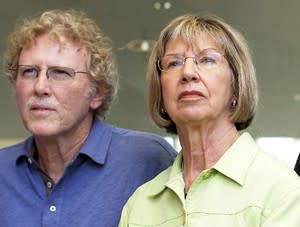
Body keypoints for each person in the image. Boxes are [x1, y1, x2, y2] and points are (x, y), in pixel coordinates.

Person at [119, 14, 300, 226]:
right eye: (173, 63)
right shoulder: (141, 204)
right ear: (161, 91)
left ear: (236, 86)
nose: (187, 72)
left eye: (207, 60)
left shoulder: (280, 189)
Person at [0, 9, 176, 226]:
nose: (40, 87)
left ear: (97, 93)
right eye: (29, 72)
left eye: (60, 72)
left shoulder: (147, 161)